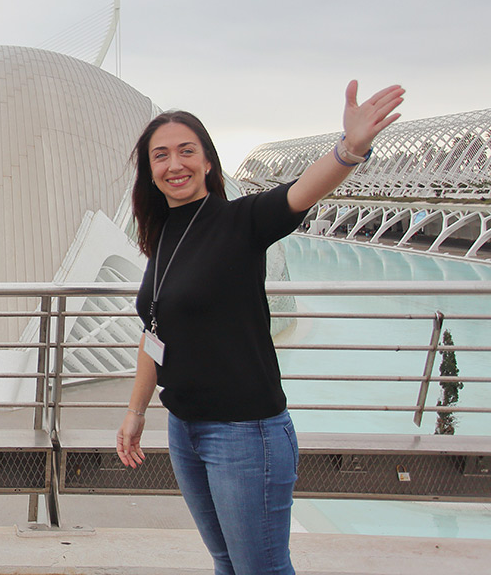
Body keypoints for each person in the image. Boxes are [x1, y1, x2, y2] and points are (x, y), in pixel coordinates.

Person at [116, 81, 405, 575]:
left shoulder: (241, 221)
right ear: (150, 171)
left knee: (261, 568)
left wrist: (349, 149)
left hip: (245, 434)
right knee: (227, 562)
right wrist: (136, 411)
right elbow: (155, 331)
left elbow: (299, 192)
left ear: (209, 161)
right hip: (185, 429)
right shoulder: (163, 235)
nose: (174, 164)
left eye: (187, 151)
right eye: (160, 156)